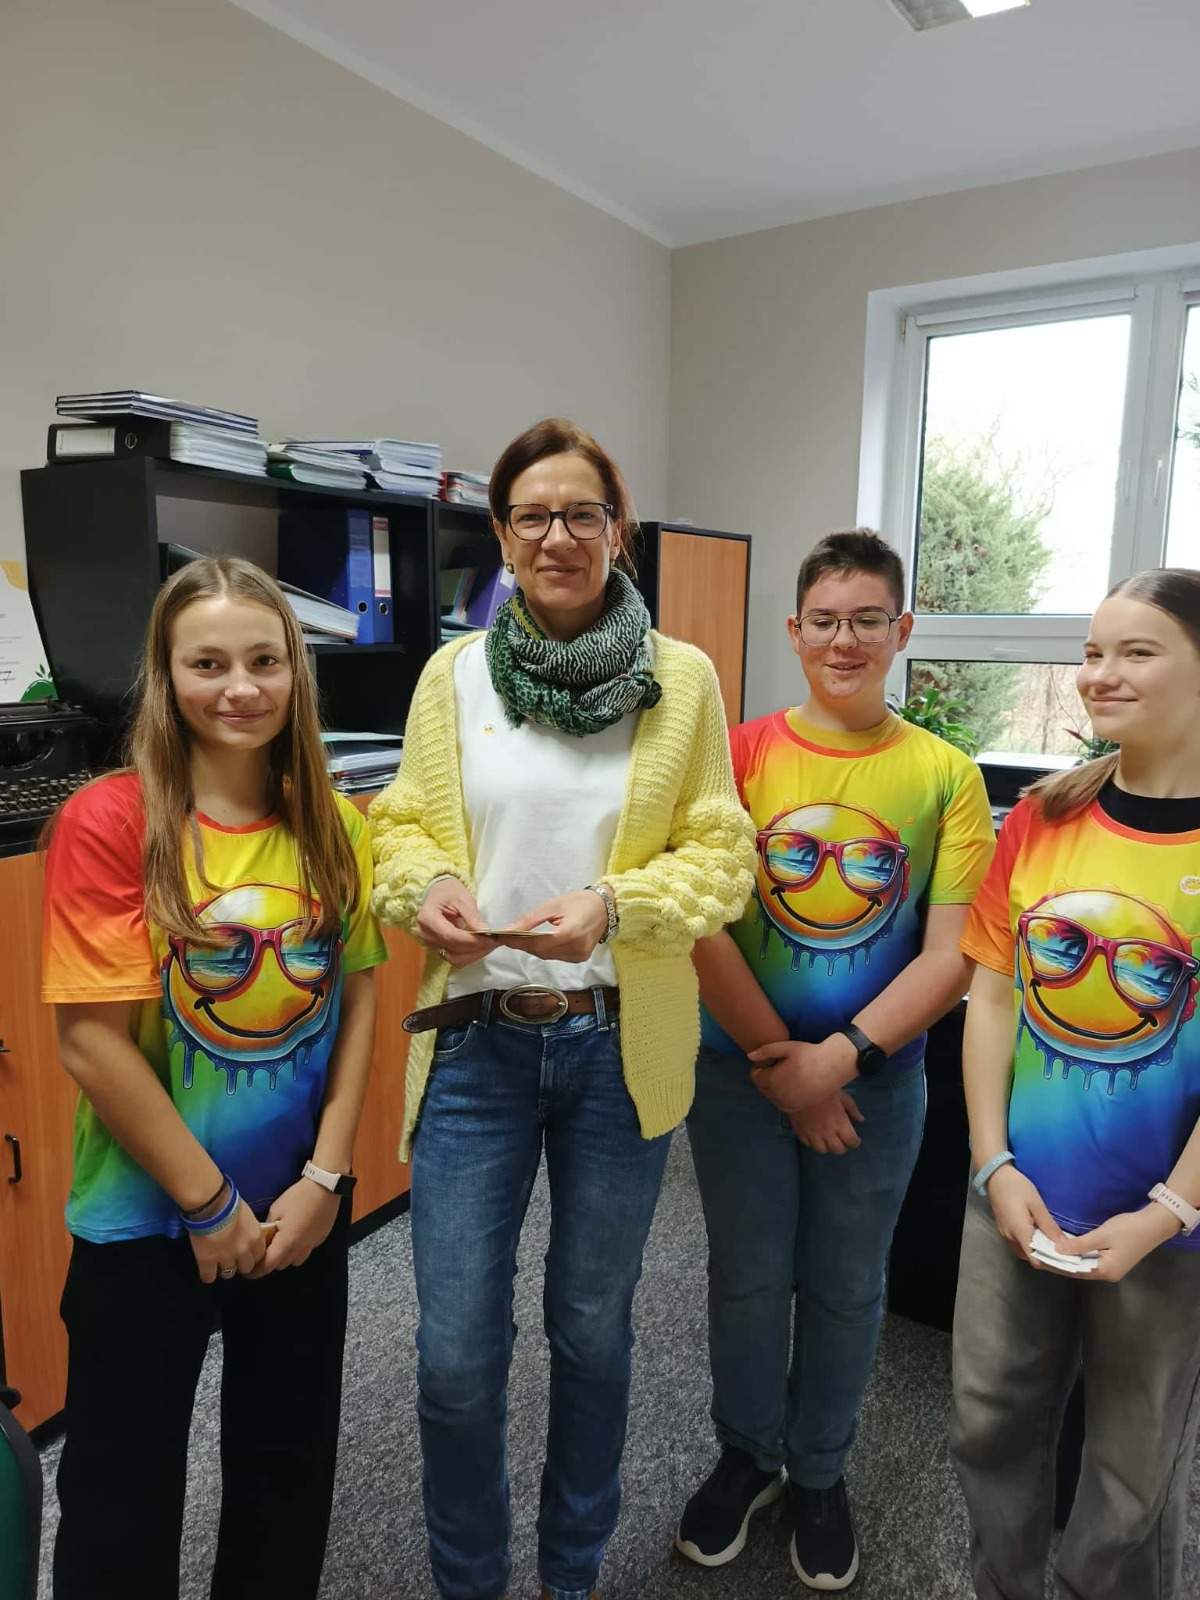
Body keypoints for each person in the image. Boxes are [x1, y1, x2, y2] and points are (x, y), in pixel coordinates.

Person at [369, 416, 756, 1600]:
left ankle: (571, 1573)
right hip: (475, 1046)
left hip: (615, 1045)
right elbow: (401, 825)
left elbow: (723, 852)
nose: (557, 536)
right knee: (454, 1354)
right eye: (532, 515)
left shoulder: (682, 679)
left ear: (616, 529)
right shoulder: (452, 676)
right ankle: (471, 1581)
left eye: (581, 513)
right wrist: (429, 884)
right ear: (500, 534)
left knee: (591, 1330)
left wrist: (615, 903)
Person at [43, 557, 386, 1600]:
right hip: (149, 1220)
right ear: (166, 674)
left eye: (264, 661)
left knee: (287, 1474)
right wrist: (208, 1204)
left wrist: (327, 1178)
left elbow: (357, 999)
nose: (240, 687)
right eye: (208, 664)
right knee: (119, 1496)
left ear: (296, 673)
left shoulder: (334, 823)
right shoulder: (113, 820)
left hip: (297, 1212)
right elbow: (90, 1042)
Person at [676, 528, 995, 1590]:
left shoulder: (945, 775)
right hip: (736, 1076)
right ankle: (747, 1455)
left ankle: (819, 1470)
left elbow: (951, 956)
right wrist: (785, 1066)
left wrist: (840, 1062)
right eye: (825, 620)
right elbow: (699, 919)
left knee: (848, 1284)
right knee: (748, 1276)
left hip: (879, 1085)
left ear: (902, 631)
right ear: (794, 629)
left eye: (867, 620)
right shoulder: (736, 756)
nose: (844, 640)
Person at [950, 567, 1200, 1600]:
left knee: (1134, 1472)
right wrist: (993, 1165)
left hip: (1169, 1225)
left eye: (1137, 651)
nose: (1101, 673)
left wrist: (1169, 1210)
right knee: (988, 1422)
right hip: (1018, 1194)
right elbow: (993, 998)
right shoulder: (1043, 818)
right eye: (1094, 651)